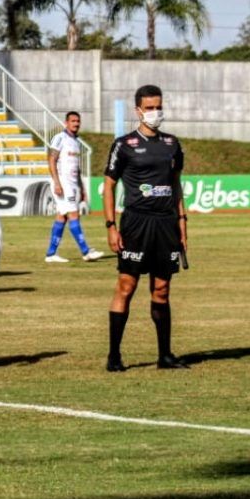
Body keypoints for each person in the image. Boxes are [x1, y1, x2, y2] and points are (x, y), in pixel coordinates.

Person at [103, 85, 188, 372]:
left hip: (166, 225)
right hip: (136, 223)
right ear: (138, 110)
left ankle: (165, 355)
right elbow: (109, 185)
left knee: (162, 290)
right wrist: (111, 226)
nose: (155, 112)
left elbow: (176, 185)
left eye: (158, 106)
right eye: (149, 108)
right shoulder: (124, 144)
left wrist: (182, 223)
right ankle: (114, 355)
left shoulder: (172, 144)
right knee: (127, 286)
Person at [45, 111, 102, 263]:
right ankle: (86, 251)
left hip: (72, 184)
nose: (76, 123)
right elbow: (51, 160)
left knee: (62, 217)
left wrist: (82, 188)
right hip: (62, 183)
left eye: (78, 121)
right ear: (66, 123)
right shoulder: (60, 138)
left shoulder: (76, 142)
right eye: (73, 121)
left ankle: (51, 254)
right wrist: (57, 182)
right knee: (73, 215)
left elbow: (77, 169)